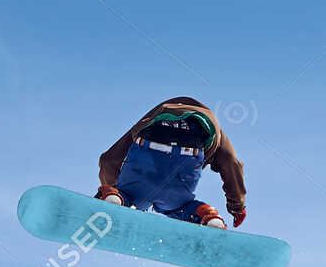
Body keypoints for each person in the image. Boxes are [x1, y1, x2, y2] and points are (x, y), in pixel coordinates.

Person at [95, 97, 246, 229]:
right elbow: (232, 163)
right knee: (181, 208)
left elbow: (108, 160)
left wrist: (116, 189)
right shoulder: (214, 126)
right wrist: (237, 207)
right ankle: (209, 217)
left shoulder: (154, 115)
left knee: (130, 198)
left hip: (149, 145)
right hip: (188, 156)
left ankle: (116, 198)